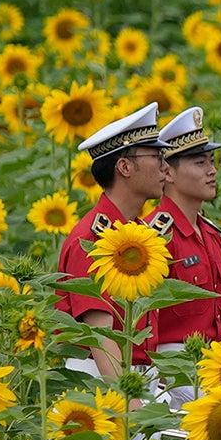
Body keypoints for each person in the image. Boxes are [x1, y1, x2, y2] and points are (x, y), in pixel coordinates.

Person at [55, 104, 166, 389]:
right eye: (156, 156)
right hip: (100, 382)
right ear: (125, 166)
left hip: (139, 377)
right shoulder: (94, 239)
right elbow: (100, 338)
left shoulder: (140, 234)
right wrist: (129, 403)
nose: (166, 166)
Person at [141, 107, 221, 383]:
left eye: (212, 161)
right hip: (171, 372)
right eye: (200, 163)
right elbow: (144, 319)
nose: (212, 171)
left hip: (212, 365)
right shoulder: (154, 237)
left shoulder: (211, 234)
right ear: (168, 172)